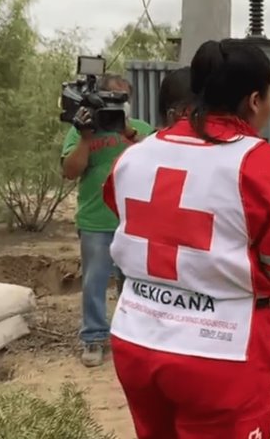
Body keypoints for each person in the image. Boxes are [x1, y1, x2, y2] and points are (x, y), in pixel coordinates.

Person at [103, 39, 270, 439]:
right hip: (222, 354)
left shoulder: (135, 154)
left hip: (136, 339)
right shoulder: (258, 161)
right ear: (255, 100)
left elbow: (125, 212)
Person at [61, 74, 155, 368]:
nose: (117, 103)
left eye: (122, 98)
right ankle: (94, 338)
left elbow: (159, 161)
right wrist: (86, 139)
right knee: (94, 281)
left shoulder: (141, 130)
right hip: (95, 219)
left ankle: (133, 336)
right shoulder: (82, 130)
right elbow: (70, 171)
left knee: (135, 282)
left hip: (135, 221)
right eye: (111, 98)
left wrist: (127, 132)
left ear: (130, 102)